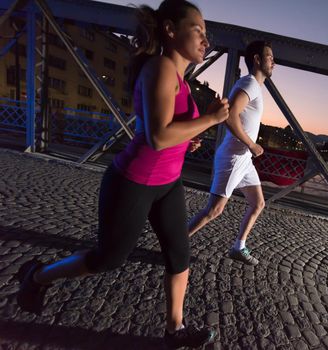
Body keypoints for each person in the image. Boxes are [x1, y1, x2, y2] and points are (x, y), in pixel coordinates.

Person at [16, 1, 228, 348]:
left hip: (167, 184)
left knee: (179, 255)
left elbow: (169, 130)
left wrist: (189, 136)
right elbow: (158, 137)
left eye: (207, 34)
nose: (206, 40)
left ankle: (174, 331)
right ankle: (36, 275)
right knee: (107, 259)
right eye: (198, 30)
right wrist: (210, 119)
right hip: (134, 182)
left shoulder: (183, 82)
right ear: (170, 30)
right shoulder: (159, 68)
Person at [188, 41, 275, 265]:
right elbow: (228, 115)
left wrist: (249, 149)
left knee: (258, 204)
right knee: (214, 210)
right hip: (234, 156)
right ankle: (176, 245)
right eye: (269, 57)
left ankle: (239, 247)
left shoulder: (254, 86)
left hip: (243, 159)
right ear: (256, 59)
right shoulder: (250, 83)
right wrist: (252, 145)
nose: (273, 62)